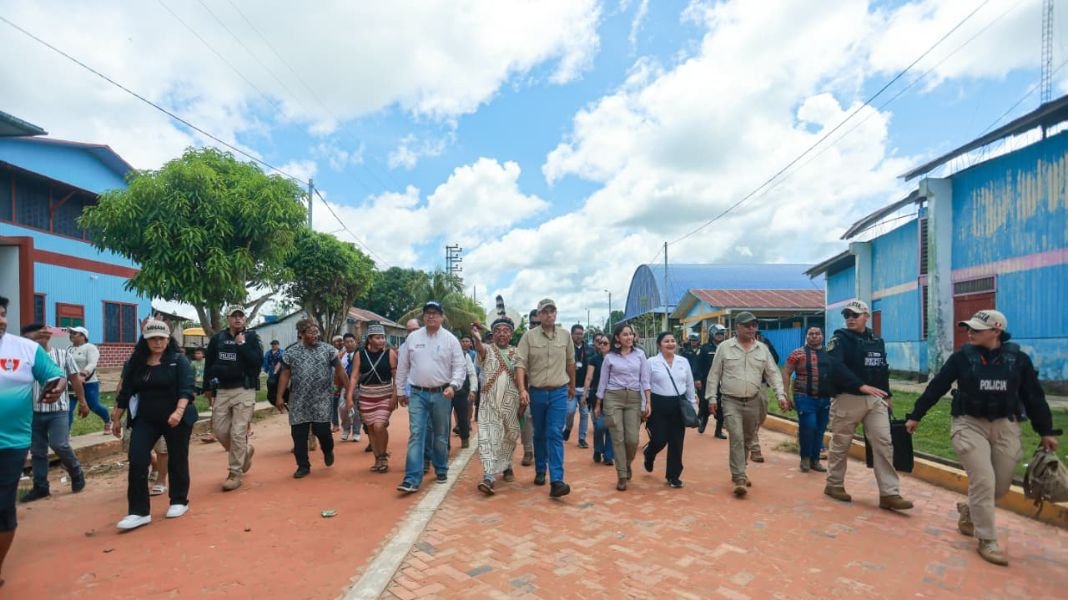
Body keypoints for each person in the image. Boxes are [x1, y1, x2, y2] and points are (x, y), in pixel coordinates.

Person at [905, 310, 1060, 566]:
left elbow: (1034, 396)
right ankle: (987, 539)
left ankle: (970, 511)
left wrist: (1045, 431)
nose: (970, 332)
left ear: (996, 331)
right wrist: (916, 415)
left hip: (1005, 426)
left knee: (999, 486)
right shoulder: (962, 358)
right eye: (969, 328)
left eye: (976, 329)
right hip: (968, 424)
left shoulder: (1017, 360)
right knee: (984, 481)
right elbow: (937, 386)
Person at [0, 295, 66, 584]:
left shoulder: (25, 348)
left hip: (11, 444)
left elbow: (55, 375)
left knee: (3, 507)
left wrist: (57, 386)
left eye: (2, 314)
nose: (1, 320)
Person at [823, 300, 912, 511]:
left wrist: (887, 395)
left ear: (866, 316)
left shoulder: (876, 341)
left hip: (875, 400)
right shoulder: (839, 339)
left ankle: (890, 493)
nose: (850, 319)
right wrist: (860, 386)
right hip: (848, 397)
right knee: (841, 443)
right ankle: (834, 484)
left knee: (884, 443)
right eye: (847, 315)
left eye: (855, 315)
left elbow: (882, 369)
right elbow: (836, 366)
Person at [111, 319, 197, 530]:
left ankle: (178, 500)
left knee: (177, 458)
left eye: (161, 338)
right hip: (145, 418)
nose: (157, 342)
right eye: (153, 339)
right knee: (138, 459)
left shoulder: (179, 361)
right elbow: (126, 392)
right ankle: (138, 512)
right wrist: (116, 417)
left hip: (175, 417)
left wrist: (178, 411)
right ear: (145, 340)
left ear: (168, 339)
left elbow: (187, 389)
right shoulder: (136, 363)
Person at [706, 312, 787, 497]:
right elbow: (714, 374)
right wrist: (711, 398)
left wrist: (781, 395)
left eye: (754, 325)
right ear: (738, 327)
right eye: (747, 325)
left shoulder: (762, 349)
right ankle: (740, 477)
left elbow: (773, 373)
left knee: (748, 438)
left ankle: (740, 468)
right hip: (730, 400)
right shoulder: (725, 348)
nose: (752, 329)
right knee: (736, 437)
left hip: (753, 401)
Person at [395, 301, 467, 494]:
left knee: (441, 436)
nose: (431, 317)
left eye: (435, 313)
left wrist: (454, 385)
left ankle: (441, 468)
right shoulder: (413, 339)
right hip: (418, 393)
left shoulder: (450, 340)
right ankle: (411, 478)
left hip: (442, 393)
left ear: (442, 316)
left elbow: (459, 367)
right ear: (423, 317)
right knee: (416, 433)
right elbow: (403, 366)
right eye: (427, 313)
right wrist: (400, 391)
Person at [18, 323, 87, 503]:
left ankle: (76, 471)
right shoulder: (24, 357)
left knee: (59, 444)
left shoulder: (63, 355)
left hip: (58, 410)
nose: (39, 339)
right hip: (33, 412)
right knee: (37, 451)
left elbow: (74, 379)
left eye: (42, 335)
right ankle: (41, 487)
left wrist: (82, 402)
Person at [516, 299, 576, 498]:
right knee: (539, 432)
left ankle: (557, 480)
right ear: (539, 315)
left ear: (556, 314)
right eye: (545, 312)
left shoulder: (565, 336)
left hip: (559, 391)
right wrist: (522, 389)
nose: (549, 315)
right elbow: (520, 365)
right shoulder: (528, 337)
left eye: (552, 311)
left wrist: (572, 386)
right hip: (537, 392)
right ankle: (541, 468)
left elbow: (570, 363)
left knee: (554, 433)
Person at [275, 318, 347, 478]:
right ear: (301, 334)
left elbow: (340, 370)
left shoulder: (328, 350)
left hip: (321, 399)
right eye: (311, 332)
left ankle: (328, 450)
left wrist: (348, 390)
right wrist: (279, 396)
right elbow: (285, 374)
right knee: (298, 434)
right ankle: (303, 465)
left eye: (316, 332)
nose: (315, 335)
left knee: (322, 432)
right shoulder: (291, 352)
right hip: (299, 400)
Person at [204, 305, 264, 492]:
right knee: (220, 430)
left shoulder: (252, 337)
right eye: (234, 316)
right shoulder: (218, 339)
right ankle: (244, 452)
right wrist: (207, 387)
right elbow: (209, 363)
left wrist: (242, 344)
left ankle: (234, 473)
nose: (238, 319)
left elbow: (256, 362)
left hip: (244, 389)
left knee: (238, 432)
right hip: (222, 389)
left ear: (244, 319)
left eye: (241, 316)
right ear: (228, 319)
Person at [470, 317, 523, 495]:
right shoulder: (487, 349)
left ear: (511, 334)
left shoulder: (517, 352)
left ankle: (506, 465)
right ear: (493, 333)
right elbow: (479, 349)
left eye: (506, 330)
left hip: (511, 401)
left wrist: (524, 396)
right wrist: (477, 337)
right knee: (489, 436)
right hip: (489, 402)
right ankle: (489, 476)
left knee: (510, 435)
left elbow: (523, 375)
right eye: (498, 330)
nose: (502, 334)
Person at [596, 322, 651, 491]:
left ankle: (626, 464)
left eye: (631, 334)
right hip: (613, 398)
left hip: (634, 398)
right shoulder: (609, 357)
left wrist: (647, 402)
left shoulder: (640, 355)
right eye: (625, 334)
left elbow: (645, 380)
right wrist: (598, 403)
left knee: (632, 439)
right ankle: (621, 474)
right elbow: (603, 381)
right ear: (618, 338)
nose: (629, 337)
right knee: (618, 437)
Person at [644, 331, 696, 488]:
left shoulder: (683, 361)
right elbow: (645, 384)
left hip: (678, 404)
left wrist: (693, 403)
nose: (670, 344)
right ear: (659, 345)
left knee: (676, 441)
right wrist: (645, 404)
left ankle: (673, 475)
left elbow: (689, 384)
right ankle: (649, 453)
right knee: (659, 439)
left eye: (673, 340)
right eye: (666, 341)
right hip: (658, 404)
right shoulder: (651, 362)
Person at [347, 323, 397, 473]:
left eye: (382, 337)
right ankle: (377, 458)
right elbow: (354, 376)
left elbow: (397, 377)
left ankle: (383, 456)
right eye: (378, 338)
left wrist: (395, 396)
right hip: (366, 396)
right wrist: (349, 396)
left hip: (384, 395)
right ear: (370, 339)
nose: (381, 340)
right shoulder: (360, 355)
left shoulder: (390, 353)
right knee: (370, 428)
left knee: (379, 426)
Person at [783, 327, 832, 473]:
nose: (814, 336)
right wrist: (785, 395)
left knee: (820, 430)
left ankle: (815, 460)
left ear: (822, 336)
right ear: (806, 336)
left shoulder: (829, 353)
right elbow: (786, 373)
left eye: (817, 334)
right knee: (808, 427)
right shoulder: (797, 353)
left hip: (825, 398)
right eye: (811, 334)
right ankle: (805, 458)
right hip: (804, 397)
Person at [68, 326, 111, 433]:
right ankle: (65, 433)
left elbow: (92, 363)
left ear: (83, 336)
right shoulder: (69, 349)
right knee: (68, 409)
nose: (71, 335)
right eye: (71, 333)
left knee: (94, 406)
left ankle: (108, 421)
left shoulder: (90, 347)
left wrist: (83, 374)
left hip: (88, 382)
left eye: (74, 333)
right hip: (72, 384)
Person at [586, 334, 613, 466]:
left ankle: (608, 455)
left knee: (611, 427)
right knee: (600, 426)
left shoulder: (616, 359)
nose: (601, 345)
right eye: (600, 343)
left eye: (605, 343)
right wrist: (585, 393)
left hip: (613, 397)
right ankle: (598, 449)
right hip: (596, 395)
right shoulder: (594, 360)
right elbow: (589, 377)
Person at [564, 324, 593, 449]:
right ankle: (568, 428)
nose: (579, 336)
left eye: (581, 333)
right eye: (577, 333)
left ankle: (582, 438)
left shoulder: (589, 350)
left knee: (585, 413)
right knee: (570, 411)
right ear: (571, 334)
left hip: (584, 388)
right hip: (571, 388)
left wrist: (587, 390)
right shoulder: (566, 349)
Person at [518, 309, 540, 467]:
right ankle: (528, 451)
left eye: (538, 323)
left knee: (541, 422)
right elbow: (519, 365)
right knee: (525, 419)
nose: (536, 326)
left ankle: (540, 450)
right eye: (533, 323)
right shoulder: (524, 340)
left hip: (545, 388)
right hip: (526, 387)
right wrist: (521, 389)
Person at [699, 325, 728, 438]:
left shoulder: (727, 347)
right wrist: (698, 379)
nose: (720, 336)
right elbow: (699, 365)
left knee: (722, 406)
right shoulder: (705, 348)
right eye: (718, 333)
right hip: (708, 381)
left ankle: (718, 431)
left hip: (724, 381)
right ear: (712, 334)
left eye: (722, 333)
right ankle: (703, 422)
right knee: (706, 403)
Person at [452, 336, 478, 449]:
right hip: (445, 391)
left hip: (461, 391)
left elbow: (472, 373)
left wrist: (473, 389)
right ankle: (445, 446)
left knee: (463, 417)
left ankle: (465, 437)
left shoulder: (465, 356)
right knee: (443, 418)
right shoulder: (442, 355)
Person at [338, 333, 362, 440]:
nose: (349, 344)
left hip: (357, 386)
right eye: (346, 342)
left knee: (356, 410)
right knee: (343, 408)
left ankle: (356, 432)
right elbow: (338, 373)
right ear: (344, 343)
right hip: (345, 386)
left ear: (355, 342)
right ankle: (346, 429)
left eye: (351, 341)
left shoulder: (360, 354)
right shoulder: (341, 356)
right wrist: (336, 388)